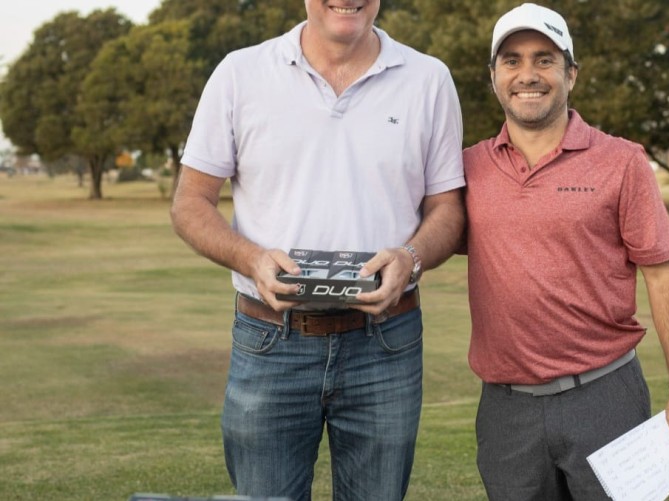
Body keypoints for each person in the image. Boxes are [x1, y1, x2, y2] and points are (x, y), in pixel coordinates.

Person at [169, 1, 465, 499]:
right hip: (269, 342)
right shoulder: (241, 73)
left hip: (386, 343)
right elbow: (189, 204)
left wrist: (410, 258)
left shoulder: (428, 78)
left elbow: (449, 210)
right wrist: (251, 259)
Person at [462, 4, 669, 500]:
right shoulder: (467, 168)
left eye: (544, 59)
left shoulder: (622, 162)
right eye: (511, 61)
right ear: (493, 76)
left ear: (571, 73)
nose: (527, 74)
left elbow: (663, 276)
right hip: (505, 410)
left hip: (605, 397)